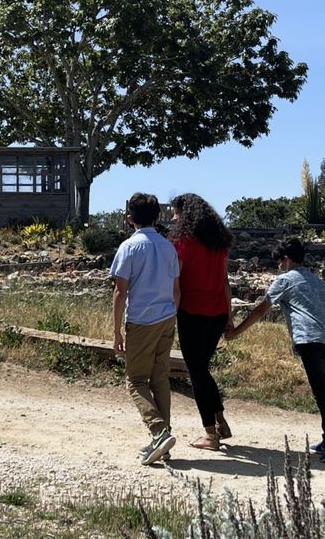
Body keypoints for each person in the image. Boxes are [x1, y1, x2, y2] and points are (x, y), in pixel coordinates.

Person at [227, 236, 325, 463]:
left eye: (278, 262)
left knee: (320, 390)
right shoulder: (317, 281)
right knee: (322, 387)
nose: (278, 267)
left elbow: (261, 309)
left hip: (308, 338)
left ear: (285, 260)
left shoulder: (284, 280)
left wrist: (235, 332)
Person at [111, 192, 180, 465]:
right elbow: (176, 288)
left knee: (136, 380)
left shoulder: (129, 247)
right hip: (167, 317)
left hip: (141, 319)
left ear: (130, 219)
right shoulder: (168, 247)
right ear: (158, 216)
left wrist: (117, 331)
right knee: (160, 377)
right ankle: (163, 439)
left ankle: (158, 430)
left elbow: (119, 291)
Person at [169, 193, 234, 451]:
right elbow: (225, 282)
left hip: (191, 312)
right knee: (202, 370)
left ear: (184, 215)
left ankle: (211, 433)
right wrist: (229, 315)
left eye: (176, 213)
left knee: (197, 373)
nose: (173, 219)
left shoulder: (182, 242)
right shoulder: (220, 242)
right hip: (217, 312)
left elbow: (176, 279)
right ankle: (220, 421)